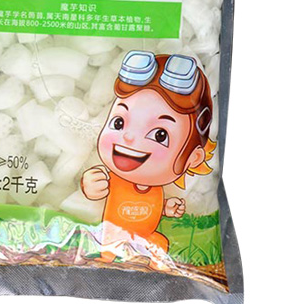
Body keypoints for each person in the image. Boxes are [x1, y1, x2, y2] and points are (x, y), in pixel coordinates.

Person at [81, 51, 216, 253]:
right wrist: (91, 185)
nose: (129, 137)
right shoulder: (115, 179)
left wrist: (168, 208)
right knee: (106, 247)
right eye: (119, 123)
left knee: (160, 245)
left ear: (193, 158)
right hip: (112, 233)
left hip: (146, 235)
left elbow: (154, 205)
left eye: (160, 135)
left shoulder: (159, 188)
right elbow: (99, 189)